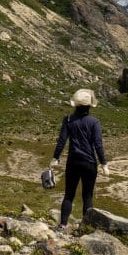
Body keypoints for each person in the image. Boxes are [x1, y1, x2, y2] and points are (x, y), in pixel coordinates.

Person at [50, 88, 109, 230]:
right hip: (89, 162)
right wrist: (104, 163)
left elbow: (61, 141)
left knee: (69, 194)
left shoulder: (68, 120)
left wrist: (55, 158)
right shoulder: (94, 122)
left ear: (75, 105)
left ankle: (63, 225)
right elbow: (98, 144)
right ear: (89, 105)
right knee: (87, 196)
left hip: (73, 162)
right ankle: (85, 227)